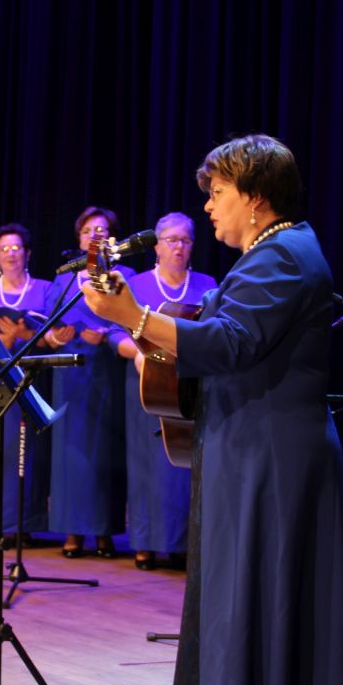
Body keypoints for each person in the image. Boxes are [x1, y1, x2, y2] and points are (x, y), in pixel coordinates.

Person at [85, 134, 343, 685]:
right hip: (260, 450)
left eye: (218, 192)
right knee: (259, 603)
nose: (208, 206)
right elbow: (224, 334)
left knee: (256, 603)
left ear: (256, 197)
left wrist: (134, 317)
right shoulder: (276, 253)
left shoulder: (282, 256)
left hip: (271, 458)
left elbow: (230, 343)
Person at [113, 212, 217, 569]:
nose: (178, 247)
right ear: (156, 246)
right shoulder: (137, 284)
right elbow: (114, 332)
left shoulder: (207, 285)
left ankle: (182, 544)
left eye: (185, 240)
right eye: (171, 240)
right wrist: (137, 352)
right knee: (146, 465)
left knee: (185, 466)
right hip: (146, 384)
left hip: (189, 387)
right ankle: (144, 543)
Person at [47, 206, 132, 558]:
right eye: (88, 231)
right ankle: (72, 531)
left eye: (101, 230)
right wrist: (61, 335)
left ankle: (103, 530)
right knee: (71, 454)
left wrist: (108, 333)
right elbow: (49, 323)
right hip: (71, 372)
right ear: (79, 238)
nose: (94, 235)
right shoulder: (66, 278)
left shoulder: (123, 274)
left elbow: (132, 319)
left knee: (105, 452)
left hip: (108, 371)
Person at [0, 223, 54, 540]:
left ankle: (24, 524)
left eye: (16, 248)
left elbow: (49, 339)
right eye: (4, 249)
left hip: (30, 377)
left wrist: (24, 334)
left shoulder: (45, 289)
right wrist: (1, 339)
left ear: (28, 253)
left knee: (26, 450)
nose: (11, 254)